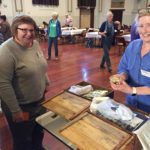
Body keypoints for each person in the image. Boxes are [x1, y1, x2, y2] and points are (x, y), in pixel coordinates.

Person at [0, 15, 49, 150]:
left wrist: (46, 81)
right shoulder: (6, 51)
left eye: (32, 30)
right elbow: (3, 84)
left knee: (38, 131)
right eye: (24, 30)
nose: (29, 34)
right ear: (15, 30)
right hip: (21, 106)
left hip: (39, 101)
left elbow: (41, 65)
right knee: (22, 139)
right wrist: (16, 111)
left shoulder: (35, 44)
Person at [110, 9, 150, 113]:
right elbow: (125, 68)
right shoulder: (133, 46)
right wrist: (121, 77)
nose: (144, 30)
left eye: (149, 25)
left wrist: (132, 90)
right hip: (131, 103)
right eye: (141, 26)